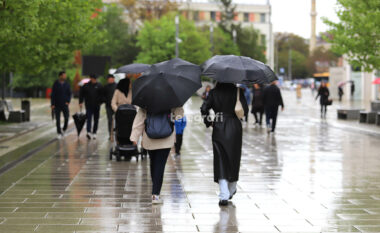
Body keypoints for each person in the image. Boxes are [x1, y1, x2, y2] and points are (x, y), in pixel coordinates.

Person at [201, 83, 248, 206]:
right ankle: (232, 188)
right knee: (234, 157)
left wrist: (208, 121)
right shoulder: (238, 91)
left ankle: (223, 194)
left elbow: (204, 108)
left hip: (219, 126)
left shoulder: (213, 93)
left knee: (220, 158)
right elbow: (245, 110)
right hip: (235, 127)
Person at [130, 107, 184, 204]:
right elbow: (179, 116)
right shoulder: (171, 99)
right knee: (160, 165)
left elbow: (140, 119)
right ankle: (155, 195)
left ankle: (155, 191)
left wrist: (135, 137)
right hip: (166, 138)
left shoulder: (146, 100)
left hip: (150, 138)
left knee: (154, 163)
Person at [79, 74, 103, 139]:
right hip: (88, 105)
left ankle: (94, 132)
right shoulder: (86, 85)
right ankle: (88, 132)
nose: (94, 80)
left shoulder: (99, 85)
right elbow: (81, 94)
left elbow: (102, 95)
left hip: (97, 106)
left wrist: (101, 102)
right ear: (91, 78)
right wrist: (80, 102)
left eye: (95, 79)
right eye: (93, 79)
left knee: (96, 119)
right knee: (89, 119)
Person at [51, 71, 71, 139]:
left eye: (65, 75)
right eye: (64, 75)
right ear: (60, 76)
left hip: (65, 104)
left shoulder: (67, 84)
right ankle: (59, 132)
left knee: (66, 118)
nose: (65, 76)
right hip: (57, 104)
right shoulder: (56, 84)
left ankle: (64, 128)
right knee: (58, 119)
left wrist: (68, 101)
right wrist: (52, 104)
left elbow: (69, 93)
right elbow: (53, 94)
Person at [103, 74, 117, 139]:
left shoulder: (117, 86)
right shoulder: (105, 87)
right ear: (108, 80)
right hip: (108, 106)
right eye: (109, 79)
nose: (111, 80)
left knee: (117, 120)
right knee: (110, 120)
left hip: (116, 106)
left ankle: (117, 133)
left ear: (113, 79)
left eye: (112, 78)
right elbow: (102, 96)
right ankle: (110, 134)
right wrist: (105, 100)